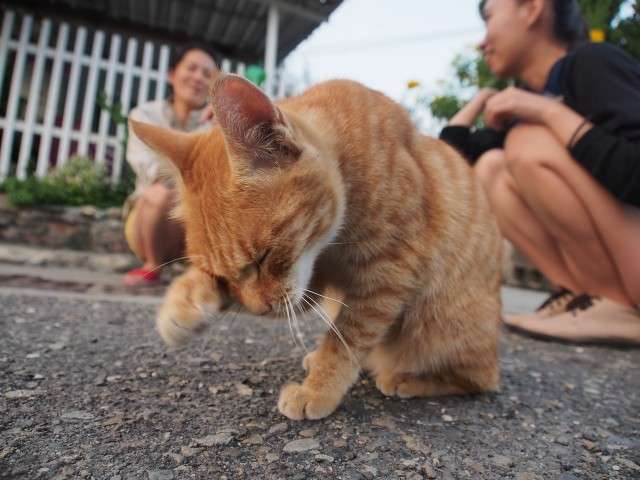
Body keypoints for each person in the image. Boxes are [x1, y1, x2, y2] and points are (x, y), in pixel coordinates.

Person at [439, 0, 640, 345]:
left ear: (532, 9)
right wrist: (480, 101)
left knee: (528, 142)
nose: (482, 41)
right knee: (491, 170)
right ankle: (586, 298)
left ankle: (618, 306)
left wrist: (549, 114)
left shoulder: (592, 63)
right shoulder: (525, 103)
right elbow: (450, 165)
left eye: (489, 19)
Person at [123, 45, 218, 286]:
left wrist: (223, 129)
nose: (198, 77)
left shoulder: (216, 123)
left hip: (194, 224)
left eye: (207, 74)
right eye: (192, 68)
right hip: (149, 223)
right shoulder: (144, 114)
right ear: (172, 74)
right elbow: (148, 167)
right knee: (158, 194)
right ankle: (152, 265)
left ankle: (206, 272)